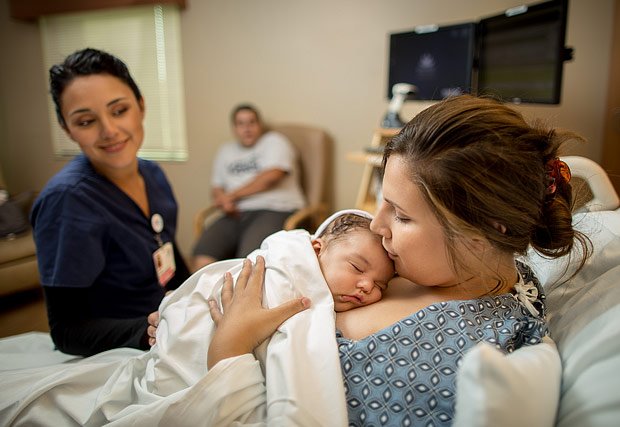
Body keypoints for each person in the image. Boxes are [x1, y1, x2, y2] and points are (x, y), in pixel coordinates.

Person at [203, 95, 591, 426]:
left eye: (402, 216)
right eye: (383, 202)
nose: (378, 224)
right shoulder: (430, 263)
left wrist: (226, 351)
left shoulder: (443, 361)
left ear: (483, 232)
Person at [0, 210, 392, 426]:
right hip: (173, 357)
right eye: (358, 267)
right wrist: (177, 310)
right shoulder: (289, 271)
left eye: (378, 285)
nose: (365, 287)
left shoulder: (323, 301)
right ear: (316, 247)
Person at [30, 48, 190, 357]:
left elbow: (169, 257)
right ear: (67, 129)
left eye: (119, 111)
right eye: (87, 121)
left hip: (173, 323)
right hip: (125, 348)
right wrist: (148, 329)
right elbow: (66, 331)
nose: (110, 131)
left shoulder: (153, 175)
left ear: (141, 106)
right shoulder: (68, 202)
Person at [191, 104, 306, 271]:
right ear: (234, 128)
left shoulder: (275, 141)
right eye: (241, 123)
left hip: (274, 209)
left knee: (249, 260)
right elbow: (217, 187)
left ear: (260, 125)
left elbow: (272, 176)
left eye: (252, 122)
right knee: (203, 256)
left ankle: (239, 297)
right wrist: (223, 202)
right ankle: (208, 297)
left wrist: (231, 196)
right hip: (235, 213)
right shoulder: (225, 150)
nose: (247, 128)